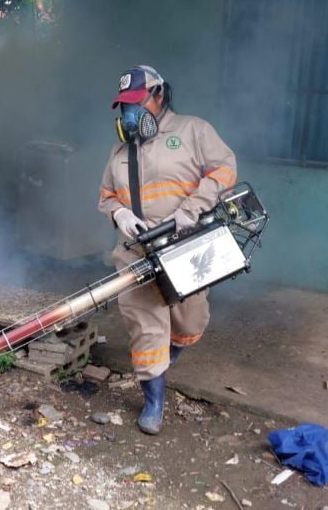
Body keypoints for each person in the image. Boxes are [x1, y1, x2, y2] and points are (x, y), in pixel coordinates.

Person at [98, 65, 237, 434]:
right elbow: (106, 195)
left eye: (136, 103)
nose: (130, 114)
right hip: (136, 251)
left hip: (186, 245)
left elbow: (225, 169)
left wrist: (192, 209)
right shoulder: (120, 150)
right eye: (124, 107)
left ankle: (166, 358)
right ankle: (153, 400)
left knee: (190, 321)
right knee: (146, 325)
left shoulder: (194, 131)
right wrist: (120, 213)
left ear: (158, 95)